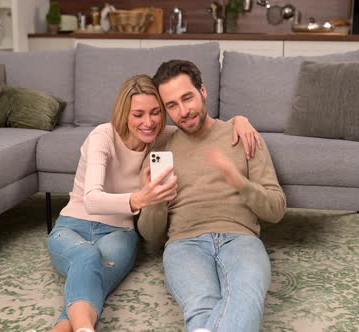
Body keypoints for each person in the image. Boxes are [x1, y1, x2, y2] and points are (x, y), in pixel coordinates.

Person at [47, 74, 262, 332]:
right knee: (87, 255)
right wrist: (141, 199)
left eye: (155, 113)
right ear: (123, 112)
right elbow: (91, 199)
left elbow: (204, 128)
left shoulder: (160, 140)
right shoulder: (102, 136)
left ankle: (65, 327)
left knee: (91, 274)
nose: (148, 123)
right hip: (73, 225)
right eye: (138, 114)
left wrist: (240, 120)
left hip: (119, 232)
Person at [138, 61, 287, 332]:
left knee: (245, 295)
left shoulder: (244, 135)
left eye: (187, 98)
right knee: (200, 304)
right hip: (184, 243)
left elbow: (276, 209)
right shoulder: (160, 149)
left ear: (203, 91)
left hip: (240, 239)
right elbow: (149, 234)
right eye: (172, 105)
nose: (183, 112)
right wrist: (156, 199)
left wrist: (240, 183)